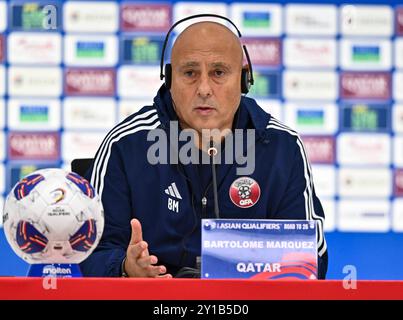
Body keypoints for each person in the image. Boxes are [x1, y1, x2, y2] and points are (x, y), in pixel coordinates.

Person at [80, 19, 328, 279]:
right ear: (169, 79)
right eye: (189, 73)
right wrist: (125, 267)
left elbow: (311, 258)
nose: (204, 89)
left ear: (244, 79)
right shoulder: (125, 144)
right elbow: (91, 250)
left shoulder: (282, 148)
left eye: (219, 72)